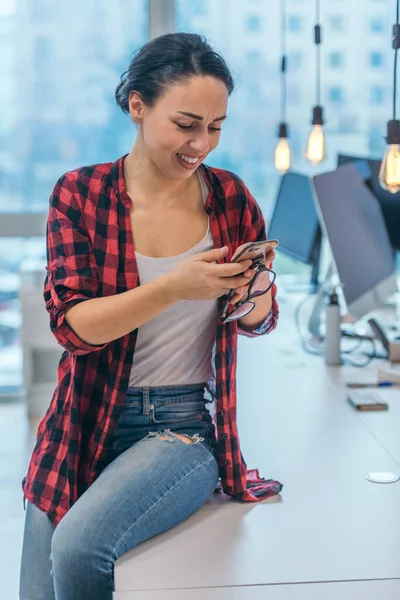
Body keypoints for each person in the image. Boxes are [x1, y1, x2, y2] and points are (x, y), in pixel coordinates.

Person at [19, 32, 282, 600]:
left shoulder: (231, 198)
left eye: (215, 127)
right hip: (82, 420)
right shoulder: (80, 194)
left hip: (179, 429)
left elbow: (261, 320)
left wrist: (254, 292)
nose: (202, 144)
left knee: (78, 547)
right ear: (137, 105)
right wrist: (174, 287)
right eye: (187, 125)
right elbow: (73, 327)